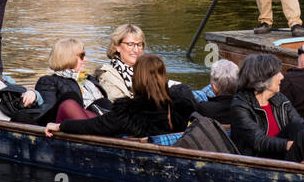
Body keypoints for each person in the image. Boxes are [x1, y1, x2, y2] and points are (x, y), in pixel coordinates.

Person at [45, 53, 198, 141]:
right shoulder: (181, 103)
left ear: (137, 78)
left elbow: (94, 126)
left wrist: (60, 126)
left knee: (68, 104)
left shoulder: (128, 111)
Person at [230, 53, 304, 161]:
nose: (282, 76)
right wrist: (290, 144)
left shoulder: (280, 99)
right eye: (277, 73)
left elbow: (300, 123)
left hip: (282, 155)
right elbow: (258, 141)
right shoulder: (240, 105)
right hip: (258, 161)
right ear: (263, 79)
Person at [35, 38, 108, 123]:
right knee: (70, 98)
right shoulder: (48, 81)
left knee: (104, 102)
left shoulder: (88, 79)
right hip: (73, 123)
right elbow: (48, 112)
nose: (85, 59)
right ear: (69, 57)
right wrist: (34, 94)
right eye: (82, 56)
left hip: (99, 119)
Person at [96, 24, 146, 103]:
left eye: (139, 45)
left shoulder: (147, 71)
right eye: (130, 44)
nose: (136, 50)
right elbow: (117, 109)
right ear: (117, 47)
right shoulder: (107, 76)